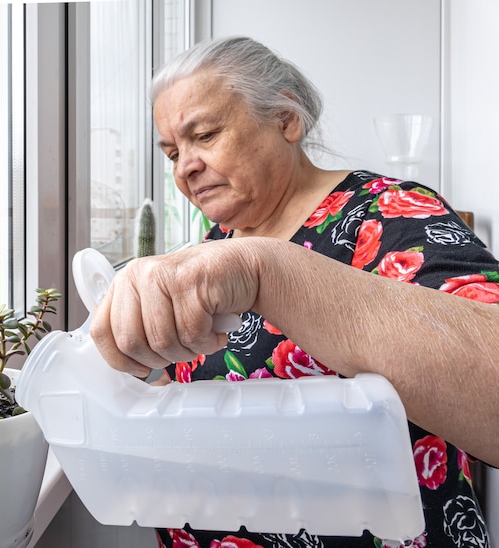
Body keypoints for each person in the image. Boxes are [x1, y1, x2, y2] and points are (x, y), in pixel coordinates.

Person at [91, 36, 498, 548]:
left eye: (206, 136)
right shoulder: (218, 242)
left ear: (286, 119)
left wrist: (270, 271)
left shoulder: (387, 213)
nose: (184, 167)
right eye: (173, 152)